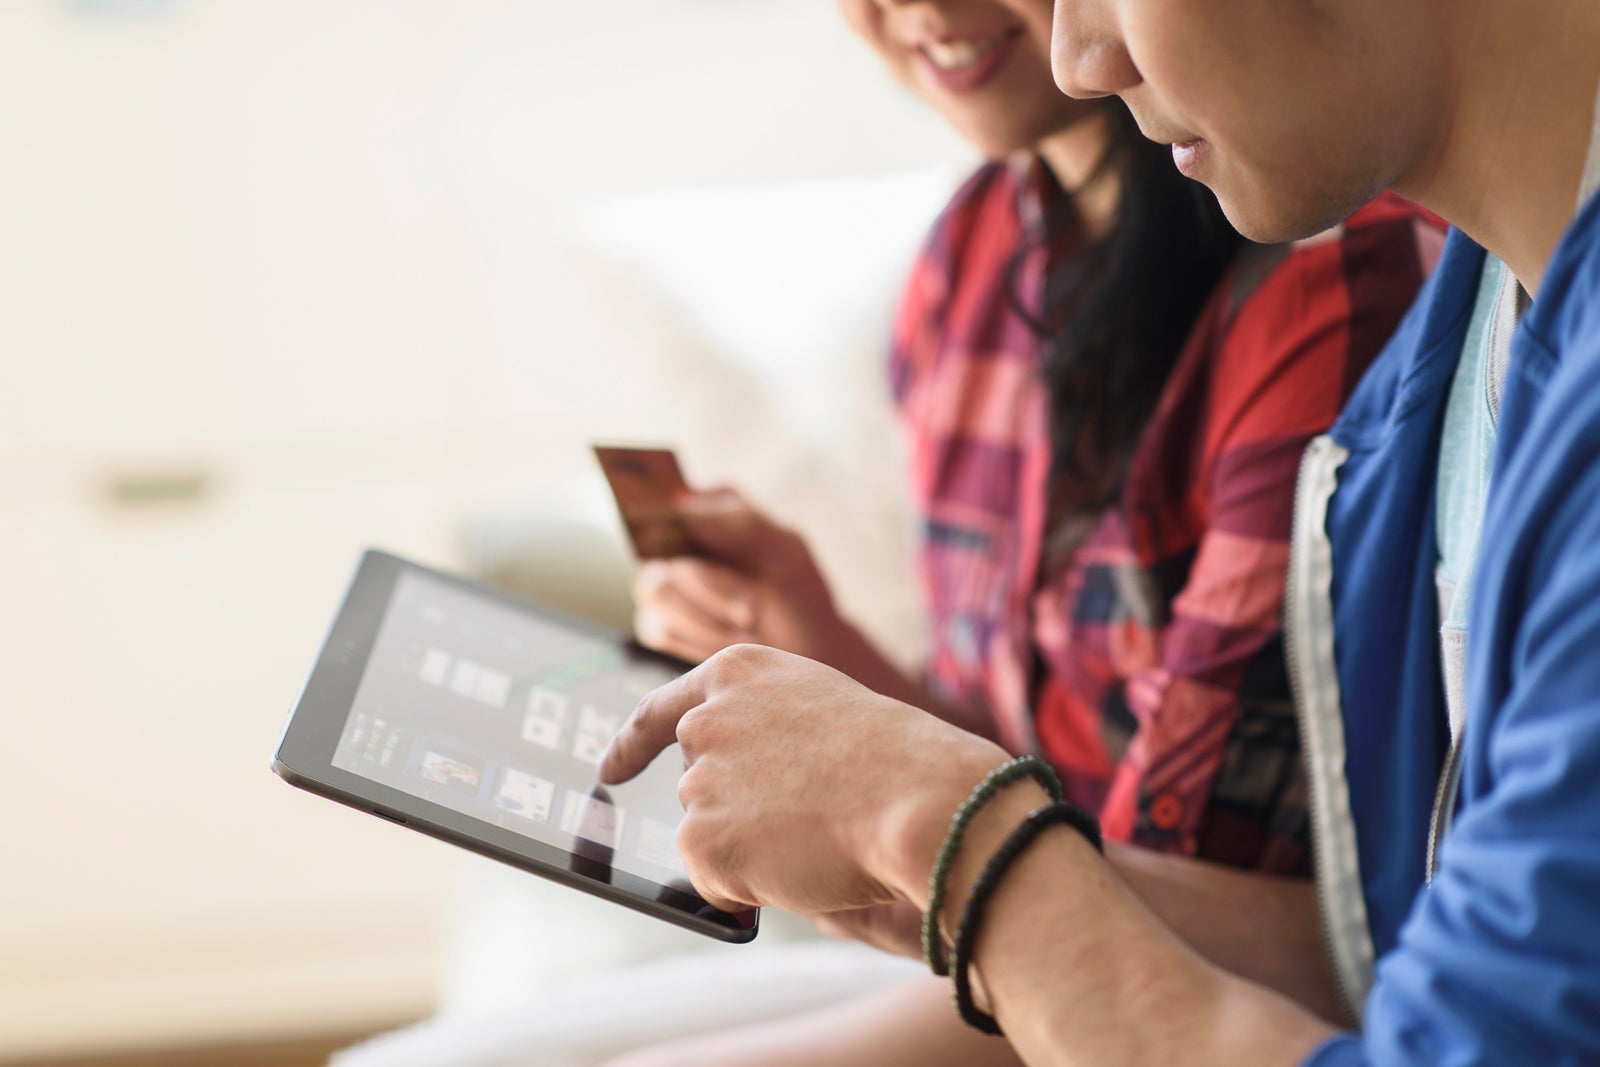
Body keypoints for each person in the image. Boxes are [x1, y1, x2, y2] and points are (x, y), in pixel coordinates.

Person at [599, 1, 1600, 1064]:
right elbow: (1361, 944)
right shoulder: (1449, 367)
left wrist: (944, 832)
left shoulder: (1359, 324)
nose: (1080, 62)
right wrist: (917, 836)